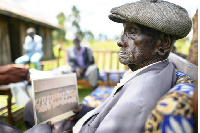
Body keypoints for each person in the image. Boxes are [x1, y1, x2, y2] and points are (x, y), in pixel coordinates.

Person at [23, 0, 192, 132]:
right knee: (34, 105)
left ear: (162, 44)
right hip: (87, 121)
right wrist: (84, 110)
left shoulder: (137, 99)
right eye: (124, 31)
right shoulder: (156, 69)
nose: (120, 41)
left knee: (37, 123)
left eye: (132, 32)